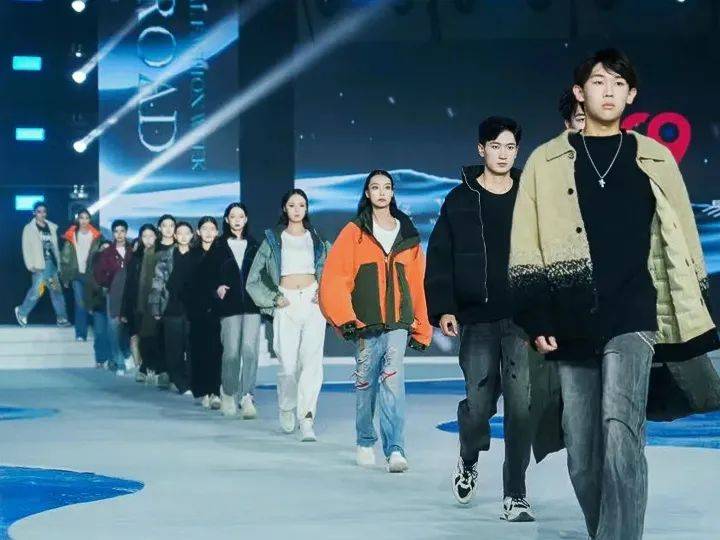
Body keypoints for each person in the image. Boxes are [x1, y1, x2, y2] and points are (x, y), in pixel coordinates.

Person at [508, 48, 720, 540]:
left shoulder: (655, 157)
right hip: (571, 319)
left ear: (632, 95)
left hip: (634, 313)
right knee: (582, 456)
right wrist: (536, 317)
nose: (609, 91)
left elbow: (684, 238)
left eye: (619, 84)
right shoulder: (545, 162)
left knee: (622, 434)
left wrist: (696, 304)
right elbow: (526, 245)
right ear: (580, 93)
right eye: (599, 82)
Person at [425, 117, 549, 520]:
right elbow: (440, 258)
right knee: (479, 408)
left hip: (521, 319)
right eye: (495, 146)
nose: (503, 154)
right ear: (481, 149)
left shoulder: (530, 197)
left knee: (521, 408)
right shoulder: (459, 199)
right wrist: (444, 307)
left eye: (510, 147)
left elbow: (547, 254)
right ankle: (468, 459)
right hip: (476, 318)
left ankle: (515, 494)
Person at [320, 170, 432, 473]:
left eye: (387, 187)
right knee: (366, 382)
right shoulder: (353, 232)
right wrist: (345, 317)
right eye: (375, 187)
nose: (381, 192)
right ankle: (365, 440)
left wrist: (422, 326)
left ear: (393, 193)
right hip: (365, 321)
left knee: (393, 380)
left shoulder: (408, 235)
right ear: (367, 193)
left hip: (398, 321)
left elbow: (418, 282)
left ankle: (395, 449)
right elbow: (336, 276)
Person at [247, 190, 329, 441]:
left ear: (306, 208)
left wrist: (323, 292)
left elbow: (332, 269)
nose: (297, 209)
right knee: (288, 364)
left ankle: (307, 418)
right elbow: (253, 279)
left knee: (312, 363)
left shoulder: (316, 238)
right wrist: (274, 298)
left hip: (313, 301)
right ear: (284, 208)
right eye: (292, 205)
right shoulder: (273, 239)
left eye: (301, 205)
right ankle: (286, 406)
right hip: (286, 302)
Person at [204, 204, 262, 416]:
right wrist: (217, 288)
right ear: (227, 220)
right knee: (231, 353)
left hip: (252, 305)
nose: (237, 220)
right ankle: (228, 392)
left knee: (250, 350)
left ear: (246, 219)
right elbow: (207, 274)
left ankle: (247, 396)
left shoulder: (255, 245)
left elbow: (264, 273)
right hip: (229, 306)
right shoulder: (219, 245)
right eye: (233, 216)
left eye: (241, 216)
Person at [149, 221, 201, 395]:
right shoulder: (165, 256)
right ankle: (181, 382)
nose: (184, 236)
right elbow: (157, 282)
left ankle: (192, 381)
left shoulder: (198, 256)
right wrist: (155, 307)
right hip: (172, 307)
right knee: (174, 349)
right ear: (175, 236)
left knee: (193, 347)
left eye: (187, 233)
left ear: (192, 235)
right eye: (180, 233)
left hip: (193, 309)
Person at [187, 216, 224, 410]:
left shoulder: (223, 254)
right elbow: (184, 285)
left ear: (217, 232)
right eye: (205, 228)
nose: (209, 232)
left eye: (212, 229)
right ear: (198, 232)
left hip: (219, 310)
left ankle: (216, 391)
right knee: (200, 352)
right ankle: (204, 390)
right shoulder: (191, 256)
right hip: (197, 312)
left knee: (217, 351)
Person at [15, 201, 71, 327]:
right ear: (34, 213)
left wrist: (59, 264)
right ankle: (22, 312)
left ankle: (62, 318)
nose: (42, 214)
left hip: (51, 265)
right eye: (39, 211)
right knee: (37, 291)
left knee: (56, 291)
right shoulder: (29, 228)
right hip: (39, 265)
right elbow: (26, 248)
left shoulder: (51, 227)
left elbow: (55, 247)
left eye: (44, 211)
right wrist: (30, 265)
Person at [121, 224, 160, 384]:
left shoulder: (161, 255)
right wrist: (124, 309)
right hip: (138, 303)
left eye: (151, 236)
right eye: (145, 236)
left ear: (156, 237)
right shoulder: (136, 258)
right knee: (141, 337)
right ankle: (144, 367)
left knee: (155, 337)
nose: (148, 239)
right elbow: (129, 284)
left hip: (156, 303)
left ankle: (154, 367)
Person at [94, 219, 133, 374]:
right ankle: (118, 361)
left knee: (127, 328)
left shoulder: (133, 250)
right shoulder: (107, 253)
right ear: (112, 233)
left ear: (126, 232)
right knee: (113, 327)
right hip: (114, 294)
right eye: (116, 231)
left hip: (130, 294)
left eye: (122, 231)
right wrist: (111, 281)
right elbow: (99, 274)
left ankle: (128, 356)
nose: (119, 234)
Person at [60, 208, 103, 341]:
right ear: (77, 219)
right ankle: (80, 333)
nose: (84, 221)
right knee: (80, 304)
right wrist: (65, 277)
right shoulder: (71, 235)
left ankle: (98, 333)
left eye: (86, 218)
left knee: (93, 304)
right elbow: (65, 258)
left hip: (92, 274)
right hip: (77, 274)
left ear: (90, 220)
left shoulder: (96, 236)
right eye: (81, 218)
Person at [85, 239, 113, 368]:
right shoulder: (94, 265)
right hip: (98, 305)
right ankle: (100, 359)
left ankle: (112, 359)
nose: (105, 251)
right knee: (100, 333)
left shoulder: (117, 265)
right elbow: (89, 287)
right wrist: (89, 305)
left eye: (108, 248)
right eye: (103, 248)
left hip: (113, 305)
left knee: (111, 334)